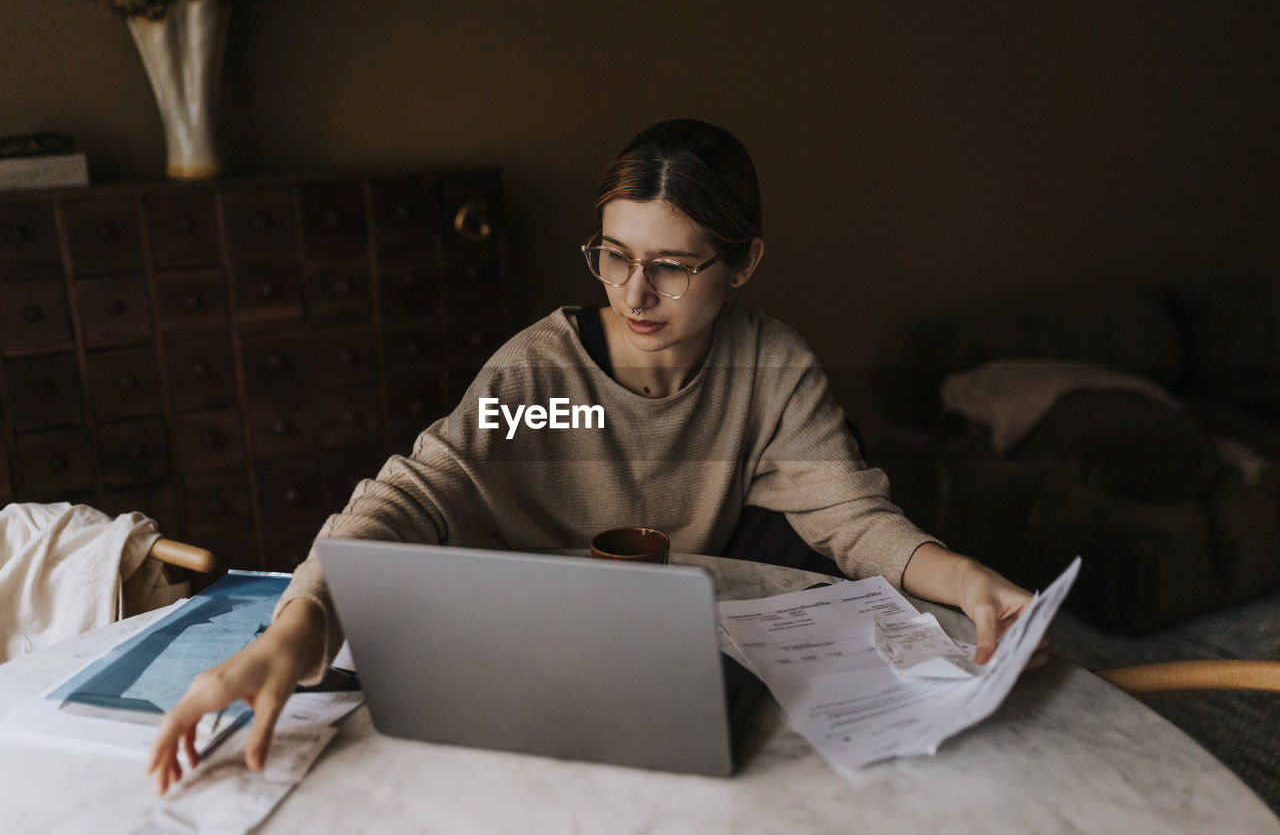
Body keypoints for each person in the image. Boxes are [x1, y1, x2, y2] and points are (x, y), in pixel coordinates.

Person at [147, 119, 1039, 794]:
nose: (633, 294)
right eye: (613, 257)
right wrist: (297, 627)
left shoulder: (769, 368)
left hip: (658, 661)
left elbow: (850, 514)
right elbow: (417, 492)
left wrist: (965, 580)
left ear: (744, 262)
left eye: (673, 266)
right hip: (511, 660)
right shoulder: (548, 375)